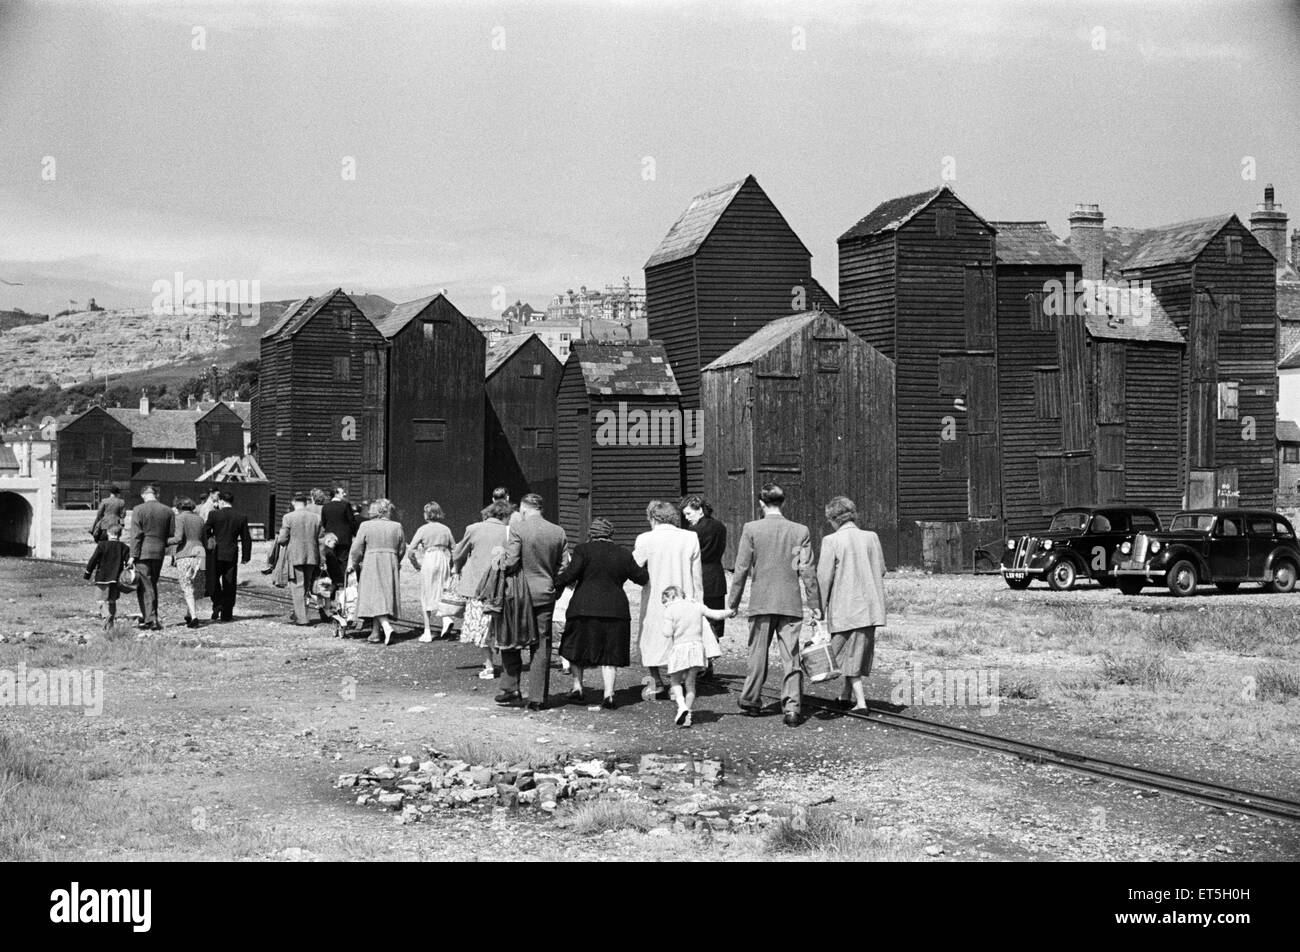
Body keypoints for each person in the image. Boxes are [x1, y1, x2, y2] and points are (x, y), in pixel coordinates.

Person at [727, 482, 821, 728]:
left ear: (761, 503)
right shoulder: (800, 531)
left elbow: (741, 568)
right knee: (791, 656)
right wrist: (815, 604)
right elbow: (807, 570)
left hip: (761, 601)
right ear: (783, 502)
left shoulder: (751, 529)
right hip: (790, 602)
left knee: (757, 654)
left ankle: (751, 700)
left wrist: (733, 602)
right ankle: (792, 708)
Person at [555, 517, 649, 709]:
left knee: (576, 648)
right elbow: (640, 578)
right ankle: (609, 694)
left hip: (583, 607)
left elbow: (570, 575)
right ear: (610, 534)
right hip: (615, 609)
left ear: (591, 534)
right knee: (610, 653)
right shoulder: (623, 553)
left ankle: (577, 687)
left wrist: (553, 584)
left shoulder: (583, 550)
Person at [816, 496, 887, 712]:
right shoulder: (871, 537)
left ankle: (861, 702)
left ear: (833, 519)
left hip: (844, 608)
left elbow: (823, 578)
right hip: (871, 607)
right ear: (853, 514)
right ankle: (845, 694)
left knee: (842, 654)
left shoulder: (831, 541)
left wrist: (818, 609)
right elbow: (881, 569)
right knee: (856, 651)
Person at [498, 493, 567, 711]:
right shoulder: (558, 531)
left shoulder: (518, 528)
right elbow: (563, 567)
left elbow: (511, 562)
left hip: (519, 595)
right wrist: (556, 589)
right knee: (542, 644)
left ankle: (510, 687)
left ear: (524, 510)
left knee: (510, 635)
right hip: (545, 593)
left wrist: (499, 558)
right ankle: (537, 697)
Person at [632, 500, 703, 700]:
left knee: (651, 637)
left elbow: (635, 566)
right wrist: (698, 600)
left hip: (656, 596)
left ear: (653, 518)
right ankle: (676, 684)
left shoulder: (645, 539)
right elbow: (697, 575)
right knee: (682, 638)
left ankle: (655, 682)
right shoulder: (690, 537)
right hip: (684, 595)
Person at [452, 500, 512, 678]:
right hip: (501, 585)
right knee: (498, 625)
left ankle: (488, 665)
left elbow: (457, 554)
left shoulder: (473, 528)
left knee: (480, 625)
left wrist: (459, 567)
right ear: (505, 515)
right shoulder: (509, 532)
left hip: (477, 586)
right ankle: (507, 665)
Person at [660, 585, 730, 727]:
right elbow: (715, 614)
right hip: (697, 649)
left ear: (671, 597)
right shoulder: (696, 605)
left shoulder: (670, 610)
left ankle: (682, 707)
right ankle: (688, 715)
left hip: (680, 650)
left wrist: (666, 624)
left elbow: (667, 633)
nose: (665, 604)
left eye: (665, 601)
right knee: (691, 684)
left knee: (675, 681)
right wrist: (730, 612)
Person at [682, 494, 727, 681]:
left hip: (699, 577)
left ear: (699, 509)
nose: (686, 517)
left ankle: (701, 663)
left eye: (688, 513)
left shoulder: (693, 533)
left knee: (699, 622)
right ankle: (710, 663)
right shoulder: (720, 527)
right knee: (714, 621)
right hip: (716, 576)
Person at [348, 498, 406, 645]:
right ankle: (375, 633)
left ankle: (387, 628)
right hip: (390, 561)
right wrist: (395, 560)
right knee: (383, 596)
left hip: (372, 561)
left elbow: (356, 549)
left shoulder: (366, 525)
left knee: (375, 595)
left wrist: (353, 564)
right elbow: (402, 548)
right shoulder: (397, 526)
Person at [129, 484, 175, 632]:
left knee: (145, 586)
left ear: (143, 495)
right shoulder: (168, 511)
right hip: (159, 551)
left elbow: (136, 535)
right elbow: (171, 533)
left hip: (143, 552)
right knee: (152, 584)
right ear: (155, 494)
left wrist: (132, 555)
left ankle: (151, 619)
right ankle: (151, 616)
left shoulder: (138, 510)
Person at [408, 501, 455, 642]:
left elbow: (411, 551)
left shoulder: (423, 529)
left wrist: (416, 565)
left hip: (429, 558)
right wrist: (451, 564)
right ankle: (446, 618)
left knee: (426, 593)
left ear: (426, 514)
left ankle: (427, 631)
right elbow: (454, 549)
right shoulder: (445, 529)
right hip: (442, 558)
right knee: (442, 590)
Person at [203, 491, 252, 622]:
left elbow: (205, 530)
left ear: (222, 501)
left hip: (215, 554)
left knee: (212, 580)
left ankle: (218, 602)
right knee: (229, 583)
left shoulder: (214, 514)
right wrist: (246, 555)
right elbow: (246, 538)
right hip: (231, 553)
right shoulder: (241, 517)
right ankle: (227, 614)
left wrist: (209, 540)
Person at [277, 493, 323, 626]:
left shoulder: (288, 517)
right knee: (306, 586)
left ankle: (302, 618)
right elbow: (321, 540)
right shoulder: (316, 518)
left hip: (295, 555)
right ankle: (300, 613)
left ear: (293, 502)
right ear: (306, 502)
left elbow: (282, 539)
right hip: (312, 556)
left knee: (297, 586)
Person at [168, 497, 206, 629]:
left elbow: (178, 538)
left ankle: (194, 617)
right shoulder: (200, 519)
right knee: (195, 585)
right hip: (200, 553)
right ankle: (189, 614)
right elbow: (205, 540)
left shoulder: (179, 518)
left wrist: (165, 541)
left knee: (187, 586)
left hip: (185, 553)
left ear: (179, 507)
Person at [85, 527, 129, 631]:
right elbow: (128, 562)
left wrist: (87, 573)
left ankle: (106, 615)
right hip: (116, 579)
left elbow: (93, 560)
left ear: (108, 533)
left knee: (100, 600)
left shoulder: (102, 545)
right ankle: (111, 625)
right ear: (120, 534)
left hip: (102, 578)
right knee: (112, 601)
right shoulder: (124, 547)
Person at [320, 486, 359, 589]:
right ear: (336, 493)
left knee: (331, 562)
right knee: (343, 562)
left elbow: (323, 523)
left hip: (329, 540)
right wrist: (354, 534)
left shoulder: (325, 507)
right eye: (342, 492)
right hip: (344, 539)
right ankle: (343, 587)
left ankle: (333, 586)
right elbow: (351, 522)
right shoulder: (346, 505)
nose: (344, 494)